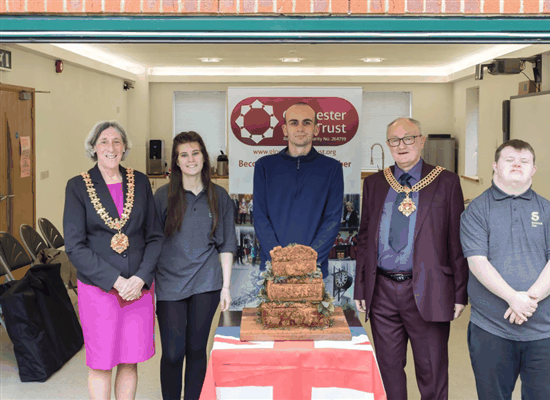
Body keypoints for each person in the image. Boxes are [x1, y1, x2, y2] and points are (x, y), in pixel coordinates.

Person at [354, 117, 468, 400]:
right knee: (388, 370)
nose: (401, 145)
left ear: (421, 140)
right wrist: (360, 286)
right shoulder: (376, 183)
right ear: (388, 144)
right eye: (394, 139)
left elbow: (456, 240)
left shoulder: (446, 182)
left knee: (432, 371)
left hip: (429, 287)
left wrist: (459, 293)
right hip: (381, 290)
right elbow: (365, 237)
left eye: (408, 138)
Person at [460, 139, 550, 400]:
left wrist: (528, 300)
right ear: (495, 166)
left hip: (542, 331)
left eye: (524, 161)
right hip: (491, 330)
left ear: (533, 170)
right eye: (510, 160)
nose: (517, 165)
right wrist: (512, 298)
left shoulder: (549, 212)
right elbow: (477, 262)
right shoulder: (476, 210)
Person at [64, 121, 164, 400]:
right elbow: (74, 245)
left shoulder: (141, 181)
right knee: (101, 362)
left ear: (125, 147)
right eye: (104, 141)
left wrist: (141, 278)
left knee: (130, 360)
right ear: (93, 147)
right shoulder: (77, 186)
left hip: (138, 288)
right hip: (99, 289)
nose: (111, 147)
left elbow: (155, 236)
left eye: (117, 141)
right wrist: (116, 281)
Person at [153, 131, 236, 400]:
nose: (191, 159)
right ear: (176, 161)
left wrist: (225, 287)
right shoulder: (163, 196)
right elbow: (151, 240)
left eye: (196, 153)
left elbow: (226, 244)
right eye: (184, 155)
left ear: (204, 157)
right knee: (174, 353)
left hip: (206, 281)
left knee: (197, 349)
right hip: (170, 283)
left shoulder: (219, 196)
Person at [253, 102, 344, 278]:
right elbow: (260, 216)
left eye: (307, 122)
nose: (300, 128)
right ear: (285, 129)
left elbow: (332, 220)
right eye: (294, 122)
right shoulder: (264, 166)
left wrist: (308, 261)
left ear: (316, 129)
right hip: (273, 269)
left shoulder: (332, 168)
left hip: (314, 270)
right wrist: (278, 259)